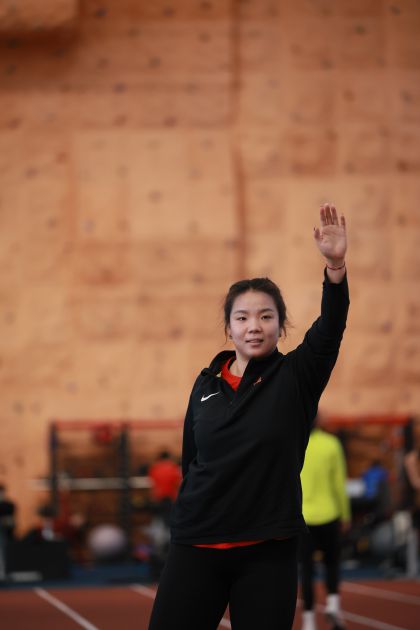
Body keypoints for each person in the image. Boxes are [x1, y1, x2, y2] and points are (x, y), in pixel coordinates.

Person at [148, 204, 349, 630]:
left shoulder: (297, 376)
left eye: (265, 316)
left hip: (267, 550)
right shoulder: (205, 384)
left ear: (280, 325)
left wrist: (335, 267)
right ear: (229, 328)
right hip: (196, 544)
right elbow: (191, 459)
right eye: (242, 317)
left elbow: (331, 327)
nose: (253, 326)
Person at [299, 414, 351, 630]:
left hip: (303, 517)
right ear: (318, 421)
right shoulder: (332, 444)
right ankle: (332, 604)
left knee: (307, 570)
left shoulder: (296, 443)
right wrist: (345, 514)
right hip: (329, 514)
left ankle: (309, 621)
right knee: (332, 562)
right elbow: (339, 483)